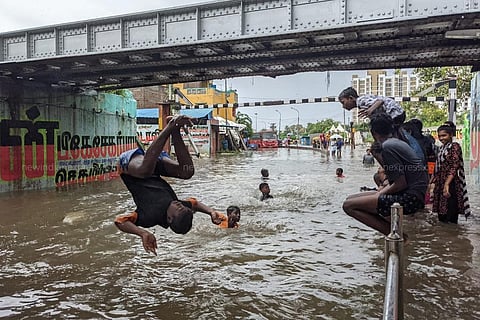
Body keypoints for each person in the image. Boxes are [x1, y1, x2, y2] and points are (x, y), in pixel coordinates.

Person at [114, 115, 227, 255]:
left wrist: (142, 233)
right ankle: (175, 129)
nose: (179, 204)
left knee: (144, 170)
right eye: (183, 207)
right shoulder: (180, 209)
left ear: (169, 218)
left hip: (129, 166)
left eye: (179, 208)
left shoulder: (150, 216)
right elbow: (195, 204)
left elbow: (120, 221)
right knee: (187, 172)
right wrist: (211, 212)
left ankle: (171, 125)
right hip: (152, 162)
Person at [342, 113, 428, 238]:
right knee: (350, 198)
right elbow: (395, 177)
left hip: (410, 198)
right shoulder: (396, 142)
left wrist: (379, 194)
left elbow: (400, 183)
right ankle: (393, 231)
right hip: (416, 193)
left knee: (348, 206)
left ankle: (399, 236)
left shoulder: (387, 147)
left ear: (373, 132)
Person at [430, 122, 471, 223]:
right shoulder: (441, 149)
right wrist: (431, 183)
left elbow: (454, 165)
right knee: (441, 213)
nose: (441, 138)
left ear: (451, 135)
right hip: (440, 182)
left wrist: (447, 184)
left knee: (451, 212)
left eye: (444, 135)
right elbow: (437, 167)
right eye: (439, 136)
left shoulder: (455, 146)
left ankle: (453, 235)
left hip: (451, 183)